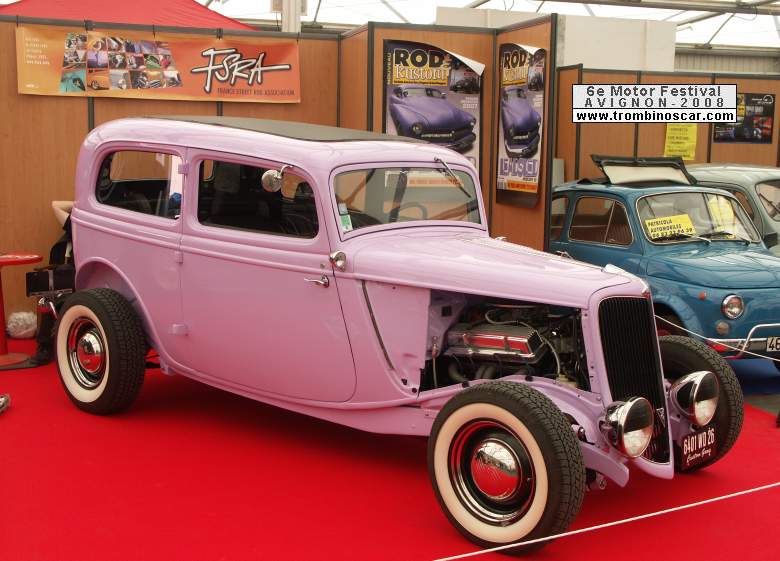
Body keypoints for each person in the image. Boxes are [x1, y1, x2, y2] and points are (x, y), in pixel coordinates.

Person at [29, 201, 74, 366]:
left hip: (96, 279)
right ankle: (45, 346)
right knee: (48, 294)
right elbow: (56, 205)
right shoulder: (75, 225)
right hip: (71, 275)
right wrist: (82, 204)